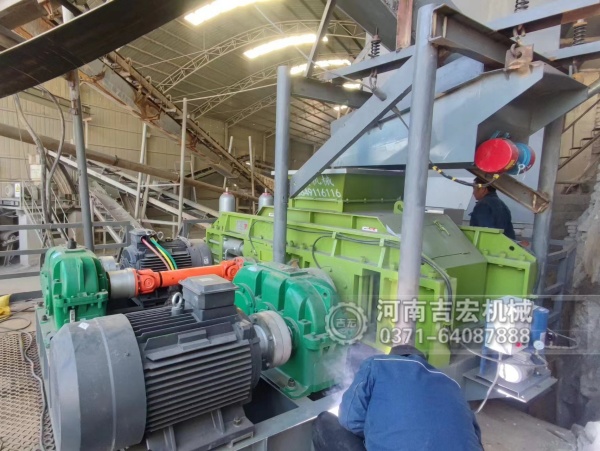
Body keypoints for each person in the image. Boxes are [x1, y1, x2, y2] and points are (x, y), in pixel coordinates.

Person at [312, 345, 483, 451]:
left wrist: (381, 427)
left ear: (392, 356)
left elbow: (349, 419)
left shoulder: (377, 364)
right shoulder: (452, 384)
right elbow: (474, 436)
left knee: (324, 422)